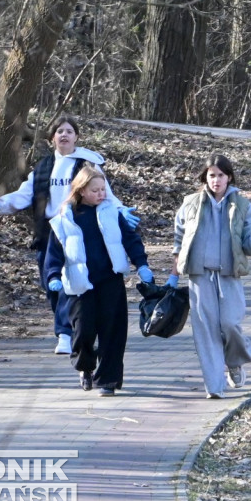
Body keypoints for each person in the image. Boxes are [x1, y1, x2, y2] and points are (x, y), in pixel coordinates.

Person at [0, 117, 140, 355]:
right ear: (52, 137)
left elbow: (106, 194)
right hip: (50, 230)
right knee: (51, 283)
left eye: (69, 131)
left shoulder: (88, 164)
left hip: (79, 229)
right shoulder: (42, 167)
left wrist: (121, 211)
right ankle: (72, 327)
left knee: (70, 282)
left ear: (76, 137)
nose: (64, 135)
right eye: (59, 131)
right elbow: (23, 196)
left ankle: (65, 333)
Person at [44, 164, 153, 397]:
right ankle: (84, 368)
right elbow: (54, 252)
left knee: (113, 331)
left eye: (103, 189)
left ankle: (108, 380)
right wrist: (53, 276)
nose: (101, 194)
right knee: (83, 331)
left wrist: (141, 264)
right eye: (96, 190)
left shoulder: (112, 213)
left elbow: (130, 240)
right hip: (80, 284)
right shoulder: (64, 219)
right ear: (81, 190)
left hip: (110, 280)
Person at [166, 155, 251, 399]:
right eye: (211, 175)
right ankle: (214, 386)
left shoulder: (242, 205)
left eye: (220, 175)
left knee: (230, 324)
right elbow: (179, 239)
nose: (216, 180)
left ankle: (234, 362)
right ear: (205, 178)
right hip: (199, 275)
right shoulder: (190, 203)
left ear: (229, 177)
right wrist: (174, 273)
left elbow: (248, 241)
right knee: (206, 331)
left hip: (229, 274)